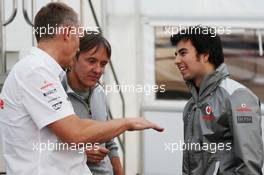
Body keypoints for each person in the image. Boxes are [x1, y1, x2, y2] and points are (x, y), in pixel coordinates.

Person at [0, 2, 163, 175]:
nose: (78, 46)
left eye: (103, 64)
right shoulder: (35, 72)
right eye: (78, 38)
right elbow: (76, 133)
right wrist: (127, 122)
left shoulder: (41, 71)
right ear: (68, 33)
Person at [170, 26, 263, 175]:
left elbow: (249, 166)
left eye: (183, 53)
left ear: (205, 55)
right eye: (176, 54)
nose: (176, 60)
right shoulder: (191, 106)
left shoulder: (237, 96)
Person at [61, 32, 123, 175]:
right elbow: (44, 143)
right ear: (74, 58)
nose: (98, 70)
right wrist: (81, 153)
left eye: (103, 64)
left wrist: (119, 171)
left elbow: (109, 141)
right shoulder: (56, 91)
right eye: (91, 61)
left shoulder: (99, 92)